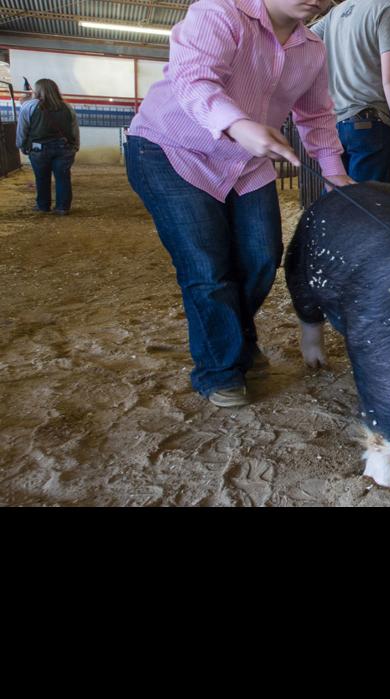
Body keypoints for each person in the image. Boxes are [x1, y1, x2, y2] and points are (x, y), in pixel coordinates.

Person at [126, 0, 353, 408]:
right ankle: (220, 369)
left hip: (246, 162)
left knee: (262, 256)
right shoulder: (219, 13)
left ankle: (232, 341)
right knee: (207, 267)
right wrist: (237, 123)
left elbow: (316, 114)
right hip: (172, 149)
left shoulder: (313, 48)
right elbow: (193, 78)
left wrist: (335, 173)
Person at [311, 0, 390, 183]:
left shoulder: (335, 13)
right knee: (369, 204)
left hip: (335, 124)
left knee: (338, 199)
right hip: (372, 123)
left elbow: (301, 39)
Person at [15, 78, 80, 215]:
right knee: (63, 177)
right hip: (64, 148)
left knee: (42, 177)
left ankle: (43, 206)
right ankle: (62, 207)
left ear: (38, 90)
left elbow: (23, 128)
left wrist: (21, 144)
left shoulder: (29, 106)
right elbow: (74, 129)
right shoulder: (67, 107)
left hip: (39, 148)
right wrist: (75, 146)